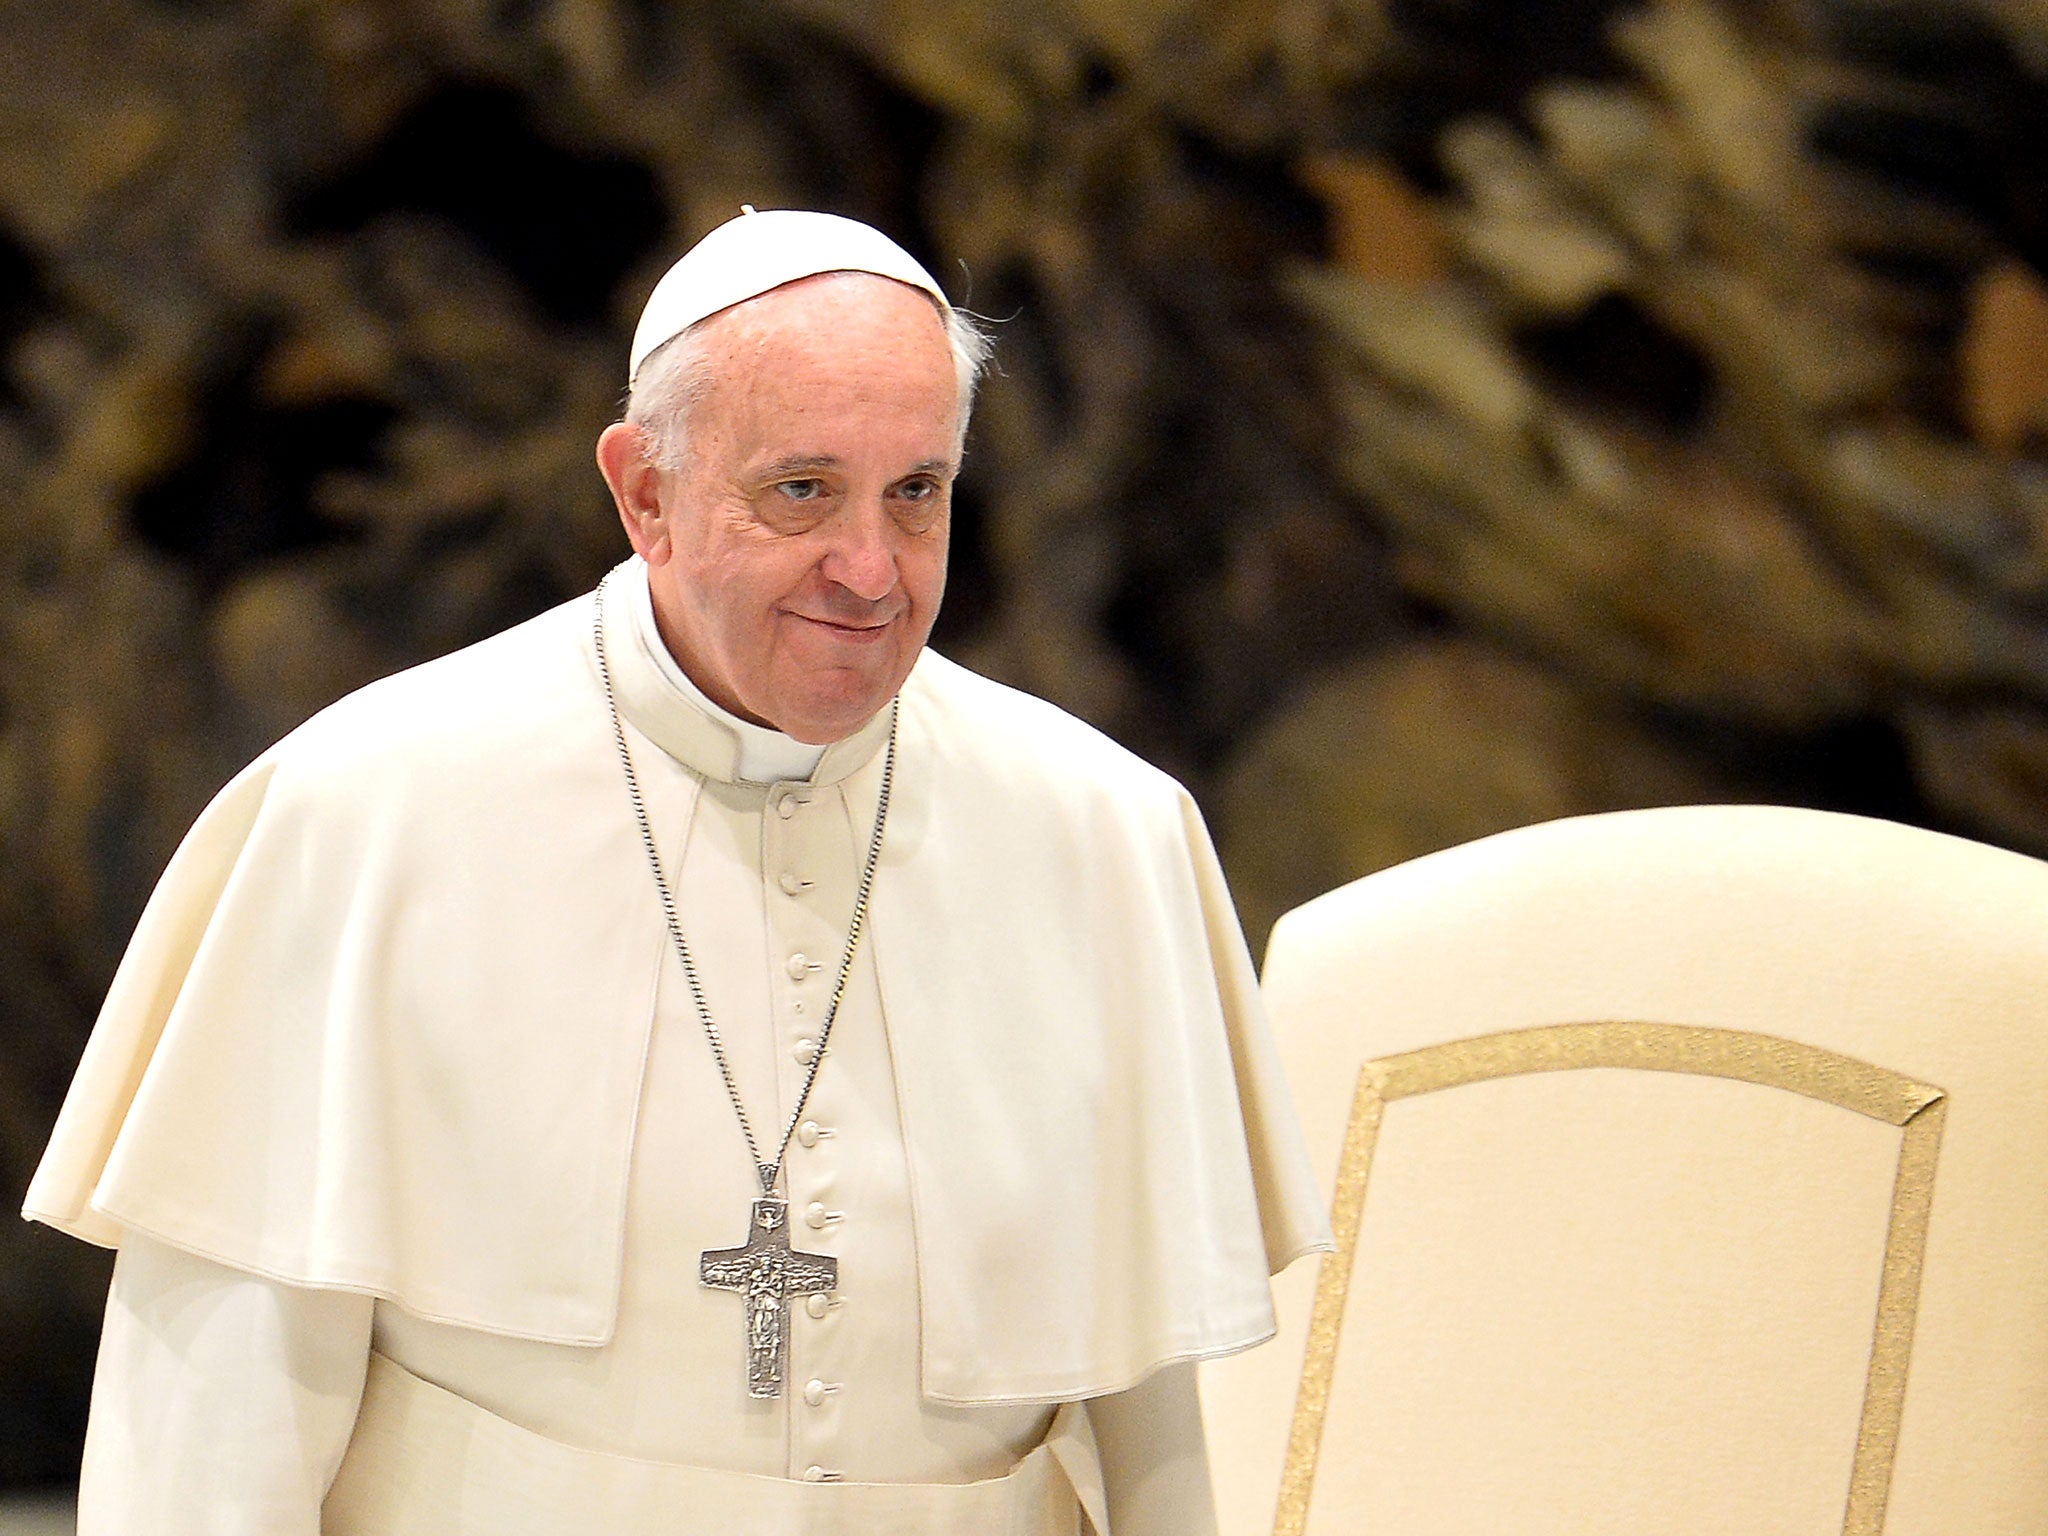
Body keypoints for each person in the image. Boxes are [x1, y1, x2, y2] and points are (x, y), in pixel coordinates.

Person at [25, 208, 1330, 1534]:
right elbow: (211, 1430)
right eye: (803, 490)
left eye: (917, 491)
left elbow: (1159, 1426)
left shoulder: (1108, 835)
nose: (871, 571)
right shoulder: (364, 818)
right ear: (644, 491)